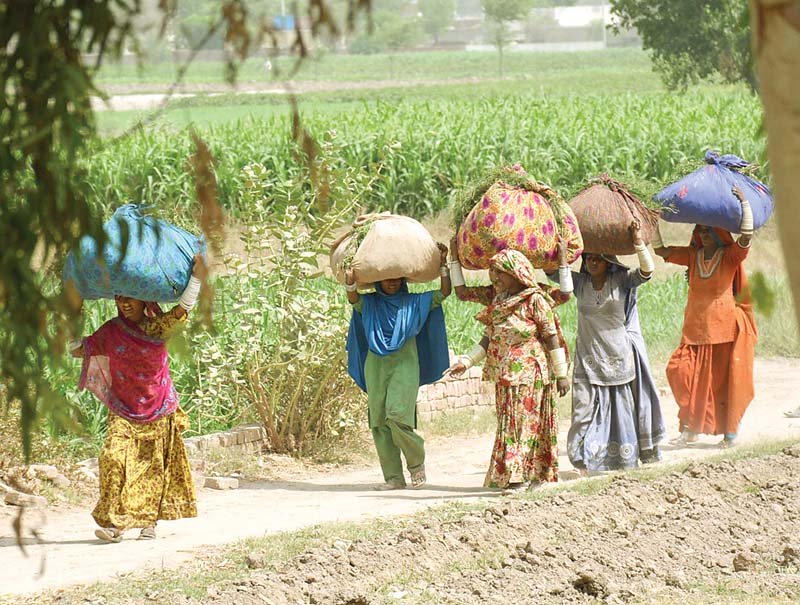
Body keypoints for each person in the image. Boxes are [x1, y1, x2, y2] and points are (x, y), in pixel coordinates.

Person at [70, 254, 206, 543]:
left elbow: (183, 309)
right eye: (119, 298)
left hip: (157, 407)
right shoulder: (111, 331)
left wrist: (196, 277)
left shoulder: (158, 328)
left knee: (152, 466)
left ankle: (148, 522)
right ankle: (113, 524)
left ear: (146, 300)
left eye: (131, 297)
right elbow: (78, 350)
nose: (125, 304)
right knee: (112, 458)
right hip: (123, 410)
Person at [447, 249, 570, 490]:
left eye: (501, 273)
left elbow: (551, 337)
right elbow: (488, 339)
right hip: (505, 374)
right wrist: (466, 362)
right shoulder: (499, 301)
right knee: (511, 423)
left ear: (517, 273)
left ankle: (519, 476)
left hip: (531, 372)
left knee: (524, 423)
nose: (496, 278)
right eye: (494, 273)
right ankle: (519, 474)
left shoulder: (535, 300)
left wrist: (562, 374)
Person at [653, 187, 757, 447]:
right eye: (700, 230)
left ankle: (727, 432)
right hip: (695, 329)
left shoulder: (729, 256)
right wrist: (651, 219)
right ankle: (691, 427)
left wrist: (744, 204)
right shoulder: (692, 256)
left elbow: (745, 238)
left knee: (721, 384)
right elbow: (661, 250)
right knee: (679, 371)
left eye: (707, 230)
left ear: (717, 234)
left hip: (723, 329)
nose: (703, 234)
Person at [344, 244, 451, 490]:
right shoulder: (370, 304)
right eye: (386, 278)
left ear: (403, 280)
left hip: (405, 365)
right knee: (380, 422)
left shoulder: (415, 303)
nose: (392, 282)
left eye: (397, 278)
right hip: (376, 366)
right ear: (378, 282)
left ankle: (416, 464)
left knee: (397, 416)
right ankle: (393, 478)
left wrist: (444, 265)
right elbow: (353, 299)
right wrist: (350, 282)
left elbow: (444, 293)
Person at [564, 223, 665, 474]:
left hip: (618, 358)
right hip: (588, 358)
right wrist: (561, 248)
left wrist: (638, 242)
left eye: (598, 258)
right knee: (582, 411)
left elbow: (647, 271)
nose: (593, 262)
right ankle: (581, 460)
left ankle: (620, 459)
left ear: (609, 262)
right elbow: (554, 274)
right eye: (588, 259)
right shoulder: (579, 284)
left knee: (620, 413)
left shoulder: (621, 281)